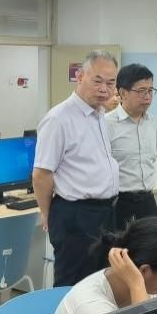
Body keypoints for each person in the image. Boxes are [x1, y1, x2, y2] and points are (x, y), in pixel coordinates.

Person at [33, 50, 121, 287]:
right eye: (98, 81)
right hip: (76, 215)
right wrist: (47, 213)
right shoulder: (59, 119)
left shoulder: (99, 114)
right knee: (73, 286)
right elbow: (41, 174)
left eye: (110, 83)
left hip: (105, 212)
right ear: (80, 76)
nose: (104, 89)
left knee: (101, 283)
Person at [108, 63, 157, 228]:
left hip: (147, 201)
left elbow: (152, 158)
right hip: (118, 203)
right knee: (119, 243)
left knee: (150, 244)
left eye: (150, 91)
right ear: (123, 93)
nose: (148, 96)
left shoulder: (152, 122)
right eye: (141, 91)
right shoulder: (107, 124)